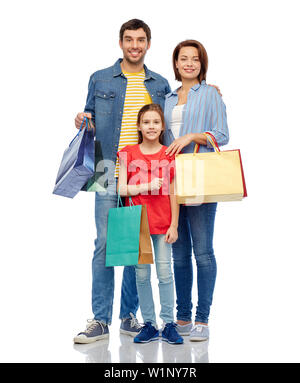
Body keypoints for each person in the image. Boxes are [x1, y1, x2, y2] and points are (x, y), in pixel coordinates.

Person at [73, 19, 171, 344]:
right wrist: (82, 120)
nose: (134, 45)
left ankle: (128, 316)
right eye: (129, 40)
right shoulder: (99, 78)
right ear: (120, 43)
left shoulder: (159, 83)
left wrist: (204, 89)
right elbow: (89, 118)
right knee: (104, 244)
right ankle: (100, 321)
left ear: (148, 44)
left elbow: (168, 124)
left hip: (143, 173)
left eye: (140, 40)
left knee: (134, 246)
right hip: (106, 169)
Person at [163, 40, 229, 341]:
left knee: (202, 252)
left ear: (202, 64)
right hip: (172, 182)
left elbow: (222, 134)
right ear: (176, 64)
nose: (189, 64)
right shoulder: (166, 99)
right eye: (183, 59)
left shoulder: (211, 95)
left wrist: (193, 135)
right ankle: (182, 316)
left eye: (195, 59)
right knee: (178, 254)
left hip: (201, 177)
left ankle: (202, 319)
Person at [118, 104, 183, 344]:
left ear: (163, 126)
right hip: (138, 224)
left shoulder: (169, 154)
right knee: (142, 276)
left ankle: (168, 323)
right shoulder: (128, 152)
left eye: (156, 122)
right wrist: (146, 186)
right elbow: (121, 188)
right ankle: (149, 324)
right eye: (146, 122)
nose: (151, 126)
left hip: (163, 223)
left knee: (165, 274)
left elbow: (174, 194)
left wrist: (174, 225)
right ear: (138, 126)